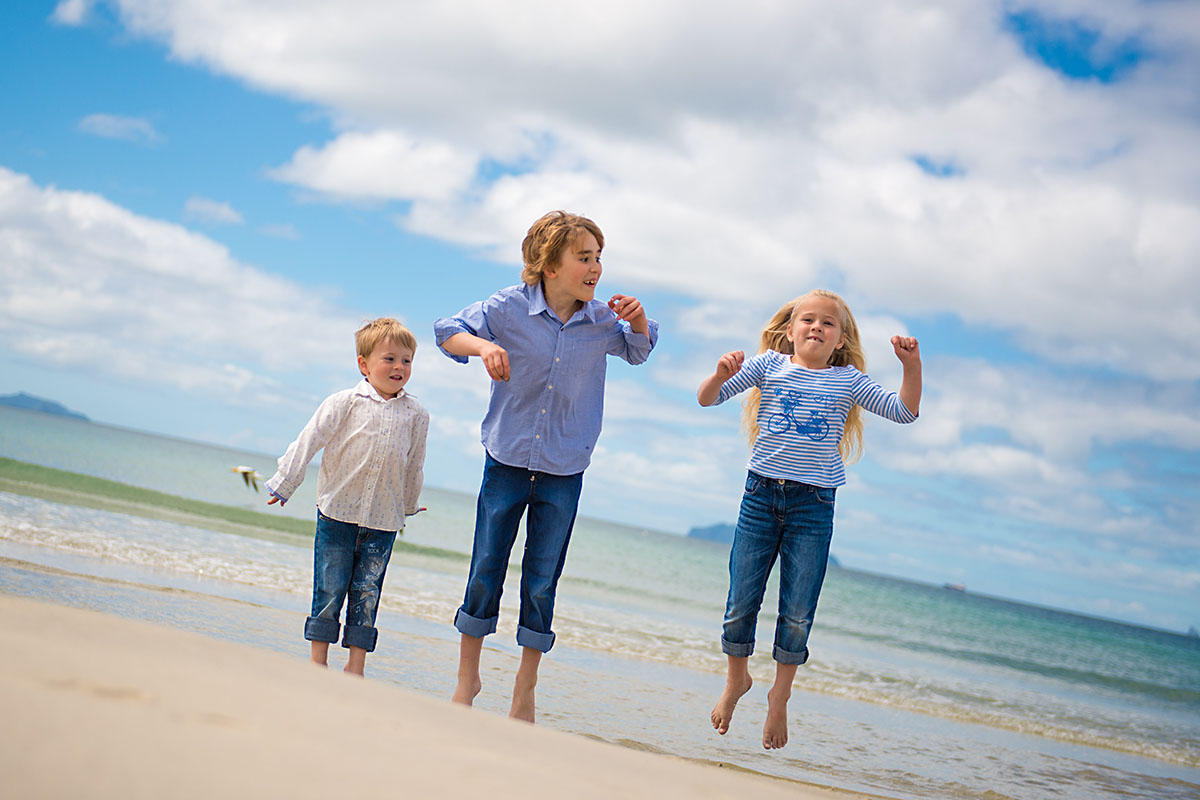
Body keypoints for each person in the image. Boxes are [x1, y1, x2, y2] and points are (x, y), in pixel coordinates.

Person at [435, 210, 658, 722]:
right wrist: (486, 345)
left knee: (541, 579)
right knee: (486, 565)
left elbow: (639, 350)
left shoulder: (604, 319)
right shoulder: (508, 308)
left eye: (599, 257)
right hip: (507, 459)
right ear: (548, 265)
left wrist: (639, 319)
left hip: (565, 467)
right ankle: (467, 677)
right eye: (584, 257)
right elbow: (448, 331)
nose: (596, 267)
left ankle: (525, 687)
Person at [697, 289, 921, 749]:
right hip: (760, 497)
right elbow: (707, 399)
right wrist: (721, 374)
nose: (816, 327)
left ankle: (780, 694)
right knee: (741, 600)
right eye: (808, 320)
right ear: (789, 330)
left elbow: (905, 412)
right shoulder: (768, 367)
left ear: (840, 339)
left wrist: (910, 366)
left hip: (813, 508)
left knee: (797, 612)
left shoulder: (848, 381)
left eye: (828, 323)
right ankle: (736, 681)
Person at [264, 318, 429, 677]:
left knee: (367, 594)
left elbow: (414, 464)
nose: (399, 367)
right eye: (389, 359)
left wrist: (408, 504)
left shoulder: (416, 414)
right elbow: (309, 440)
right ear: (364, 364)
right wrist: (285, 482)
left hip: (383, 521)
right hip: (337, 513)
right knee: (329, 587)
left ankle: (355, 667)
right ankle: (318, 662)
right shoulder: (344, 402)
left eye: (406, 360)